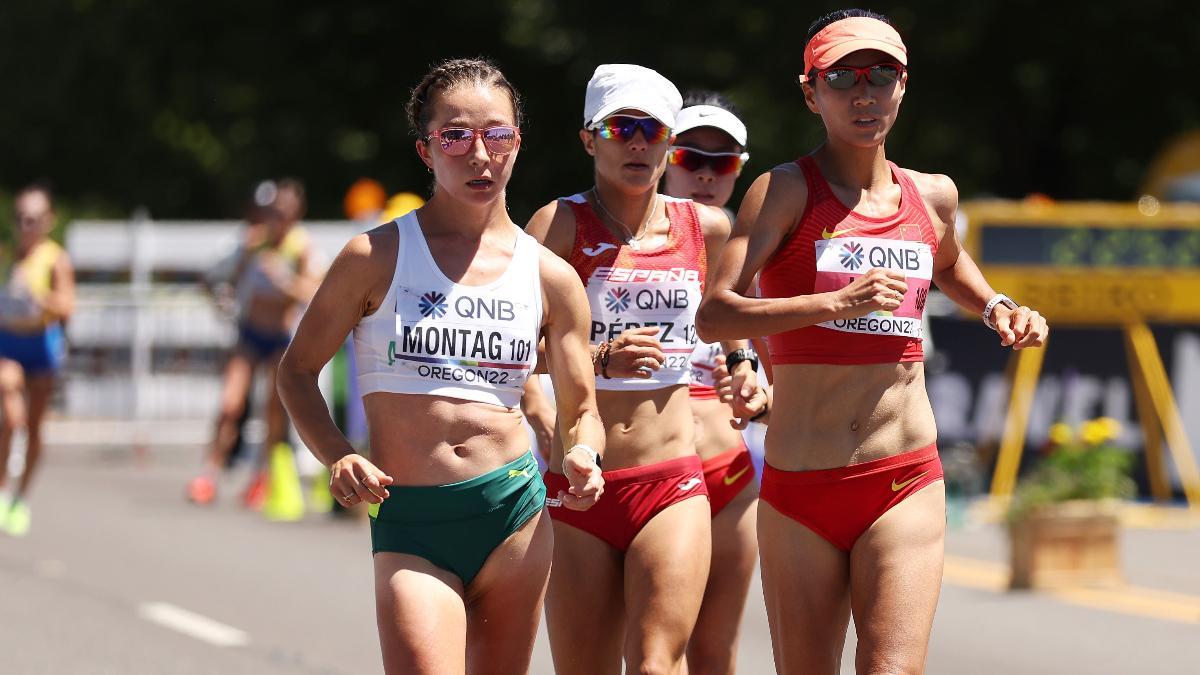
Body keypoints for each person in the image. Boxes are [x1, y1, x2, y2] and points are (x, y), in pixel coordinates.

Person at [696, 10, 1049, 674]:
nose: (864, 94)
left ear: (903, 84)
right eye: (843, 79)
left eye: (881, 76)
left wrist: (998, 305)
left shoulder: (932, 195)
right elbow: (715, 314)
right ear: (812, 92)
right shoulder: (783, 192)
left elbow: (946, 262)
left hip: (904, 475)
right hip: (802, 482)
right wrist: (834, 301)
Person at [277, 58, 604, 674]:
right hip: (412, 520)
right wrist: (338, 453)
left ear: (518, 143)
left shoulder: (552, 277)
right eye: (455, 136)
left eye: (496, 134)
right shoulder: (373, 256)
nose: (478, 154)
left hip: (514, 514)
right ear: (426, 151)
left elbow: (582, 409)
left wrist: (583, 451)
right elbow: (296, 372)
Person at [526, 64, 755, 675]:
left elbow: (725, 316)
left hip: (672, 479)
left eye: (652, 131)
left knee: (658, 663)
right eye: (620, 127)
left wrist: (743, 364)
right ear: (588, 137)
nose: (636, 143)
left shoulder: (706, 226)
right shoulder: (558, 225)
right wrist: (599, 359)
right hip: (579, 484)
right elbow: (512, 351)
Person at [662, 92, 759, 674]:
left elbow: (786, 369)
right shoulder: (618, 247)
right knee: (651, 651)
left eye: (720, 163)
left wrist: (755, 384)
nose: (703, 173)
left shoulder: (761, 258)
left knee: (714, 653)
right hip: (643, 474)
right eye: (689, 157)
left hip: (729, 478)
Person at [187, 183, 320, 512]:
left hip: (280, 338)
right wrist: (220, 294)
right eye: (275, 212)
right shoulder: (253, 243)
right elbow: (222, 275)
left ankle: (262, 476)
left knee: (272, 413)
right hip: (250, 333)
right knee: (229, 404)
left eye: (286, 213)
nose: (279, 219)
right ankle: (210, 473)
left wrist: (284, 281)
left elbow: (314, 292)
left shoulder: (301, 248)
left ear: (296, 214)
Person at [0, 184, 75, 537]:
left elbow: (67, 306)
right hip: (9, 344)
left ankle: (20, 497)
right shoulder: (6, 256)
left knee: (32, 428)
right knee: (11, 415)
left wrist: (38, 297)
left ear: (48, 221)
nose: (25, 226)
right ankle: (1, 488)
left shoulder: (55, 259)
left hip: (41, 346)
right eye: (20, 219)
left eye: (33, 219)